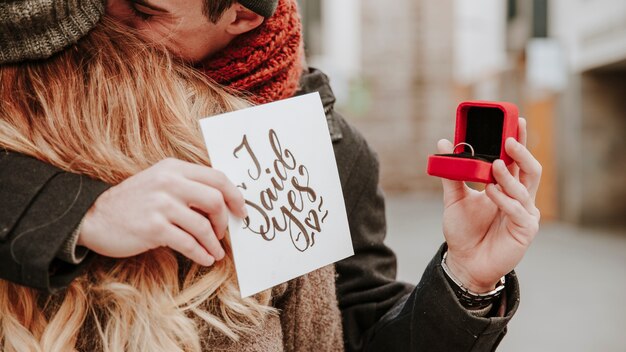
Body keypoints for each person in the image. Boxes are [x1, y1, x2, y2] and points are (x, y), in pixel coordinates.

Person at [0, 0, 542, 351]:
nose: (106, 15)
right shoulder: (48, 57)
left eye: (146, 11)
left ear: (239, 16)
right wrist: (81, 211)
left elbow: (356, 337)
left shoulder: (326, 146)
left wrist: (465, 281)